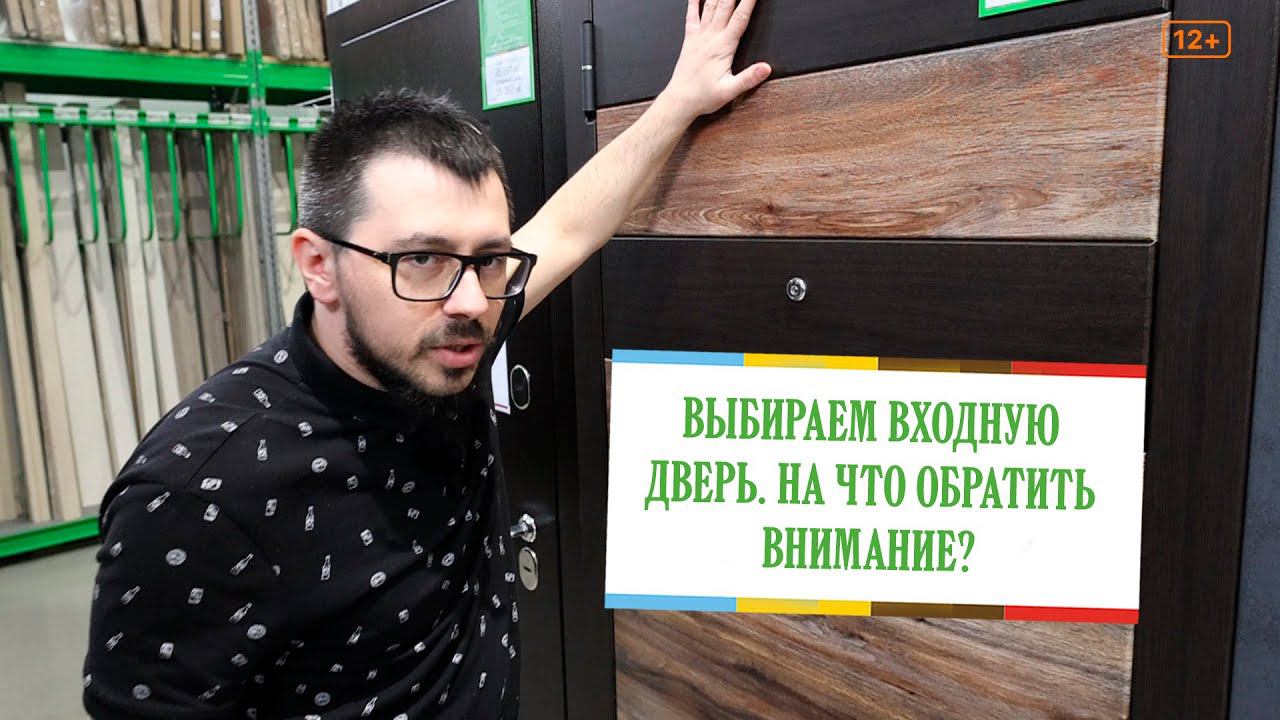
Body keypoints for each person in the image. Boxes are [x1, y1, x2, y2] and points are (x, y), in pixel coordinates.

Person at [81, 1, 771, 717]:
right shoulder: (198, 495)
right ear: (318, 266)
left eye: (489, 258)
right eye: (421, 259)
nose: (471, 300)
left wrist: (680, 100)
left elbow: (567, 227)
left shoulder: (441, 339)